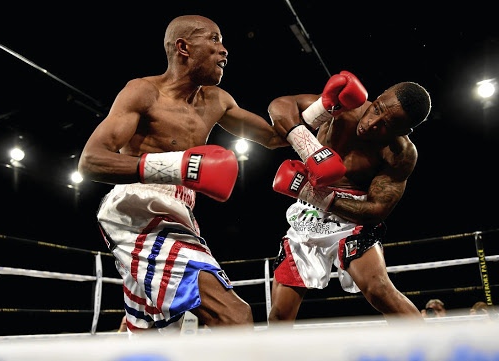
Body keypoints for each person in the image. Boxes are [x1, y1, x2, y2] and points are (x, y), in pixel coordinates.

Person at [78, 15, 288, 332]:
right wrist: (182, 166)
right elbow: (91, 161)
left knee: (159, 331)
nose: (224, 50)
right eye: (214, 39)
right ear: (183, 47)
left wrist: (325, 111)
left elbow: (274, 137)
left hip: (182, 211)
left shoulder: (217, 100)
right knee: (234, 315)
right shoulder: (143, 92)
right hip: (139, 207)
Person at [267, 71, 431, 323]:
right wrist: (307, 149)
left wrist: (318, 196)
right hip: (308, 213)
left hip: (353, 216)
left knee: (379, 291)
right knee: (280, 312)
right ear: (377, 98)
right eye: (376, 109)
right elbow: (280, 106)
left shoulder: (400, 153)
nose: (372, 123)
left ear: (402, 131)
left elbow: (377, 209)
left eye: (386, 125)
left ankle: (435, 350)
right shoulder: (345, 106)